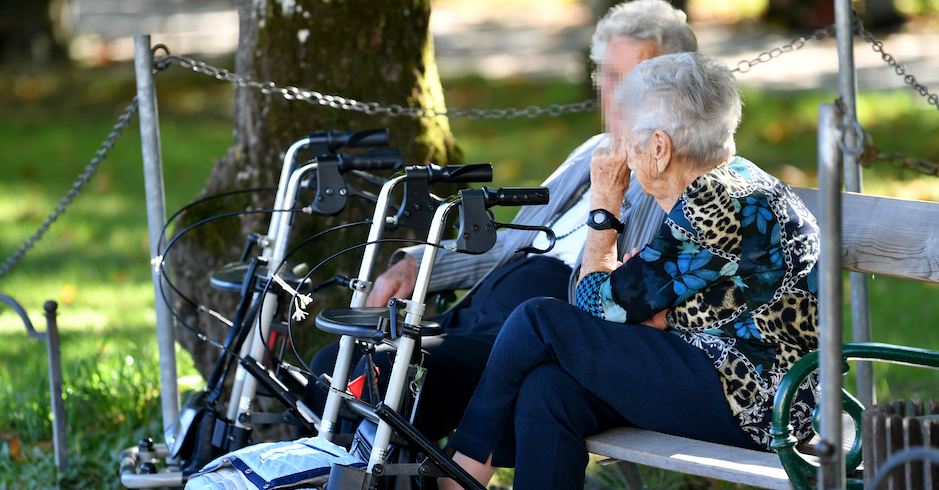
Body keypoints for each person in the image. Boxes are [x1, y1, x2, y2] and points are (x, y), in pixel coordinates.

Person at [305, 0, 698, 442]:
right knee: (328, 366)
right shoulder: (592, 150)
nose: (619, 93)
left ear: (675, 84)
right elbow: (513, 239)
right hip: (485, 309)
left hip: (541, 331)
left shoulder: (681, 171)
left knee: (387, 373)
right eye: (608, 75)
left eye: (637, 78)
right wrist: (419, 263)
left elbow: (644, 288)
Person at [439, 52, 822, 489]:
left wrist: (605, 205)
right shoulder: (735, 179)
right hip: (732, 380)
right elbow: (634, 305)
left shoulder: (713, 204)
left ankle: (462, 470)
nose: (620, 149)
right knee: (549, 391)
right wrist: (647, 313)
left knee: (537, 319)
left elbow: (593, 307)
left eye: (627, 137)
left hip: (757, 403)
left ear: (659, 148)